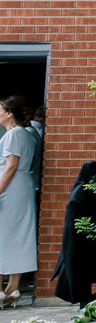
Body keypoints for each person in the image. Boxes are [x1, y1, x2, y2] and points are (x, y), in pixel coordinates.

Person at [0, 96, 38, 308]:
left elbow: (11, 166)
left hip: (10, 187)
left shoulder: (14, 134)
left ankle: (3, 290)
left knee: (4, 236)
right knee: (18, 235)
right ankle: (12, 287)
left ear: (9, 113)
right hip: (22, 186)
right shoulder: (26, 133)